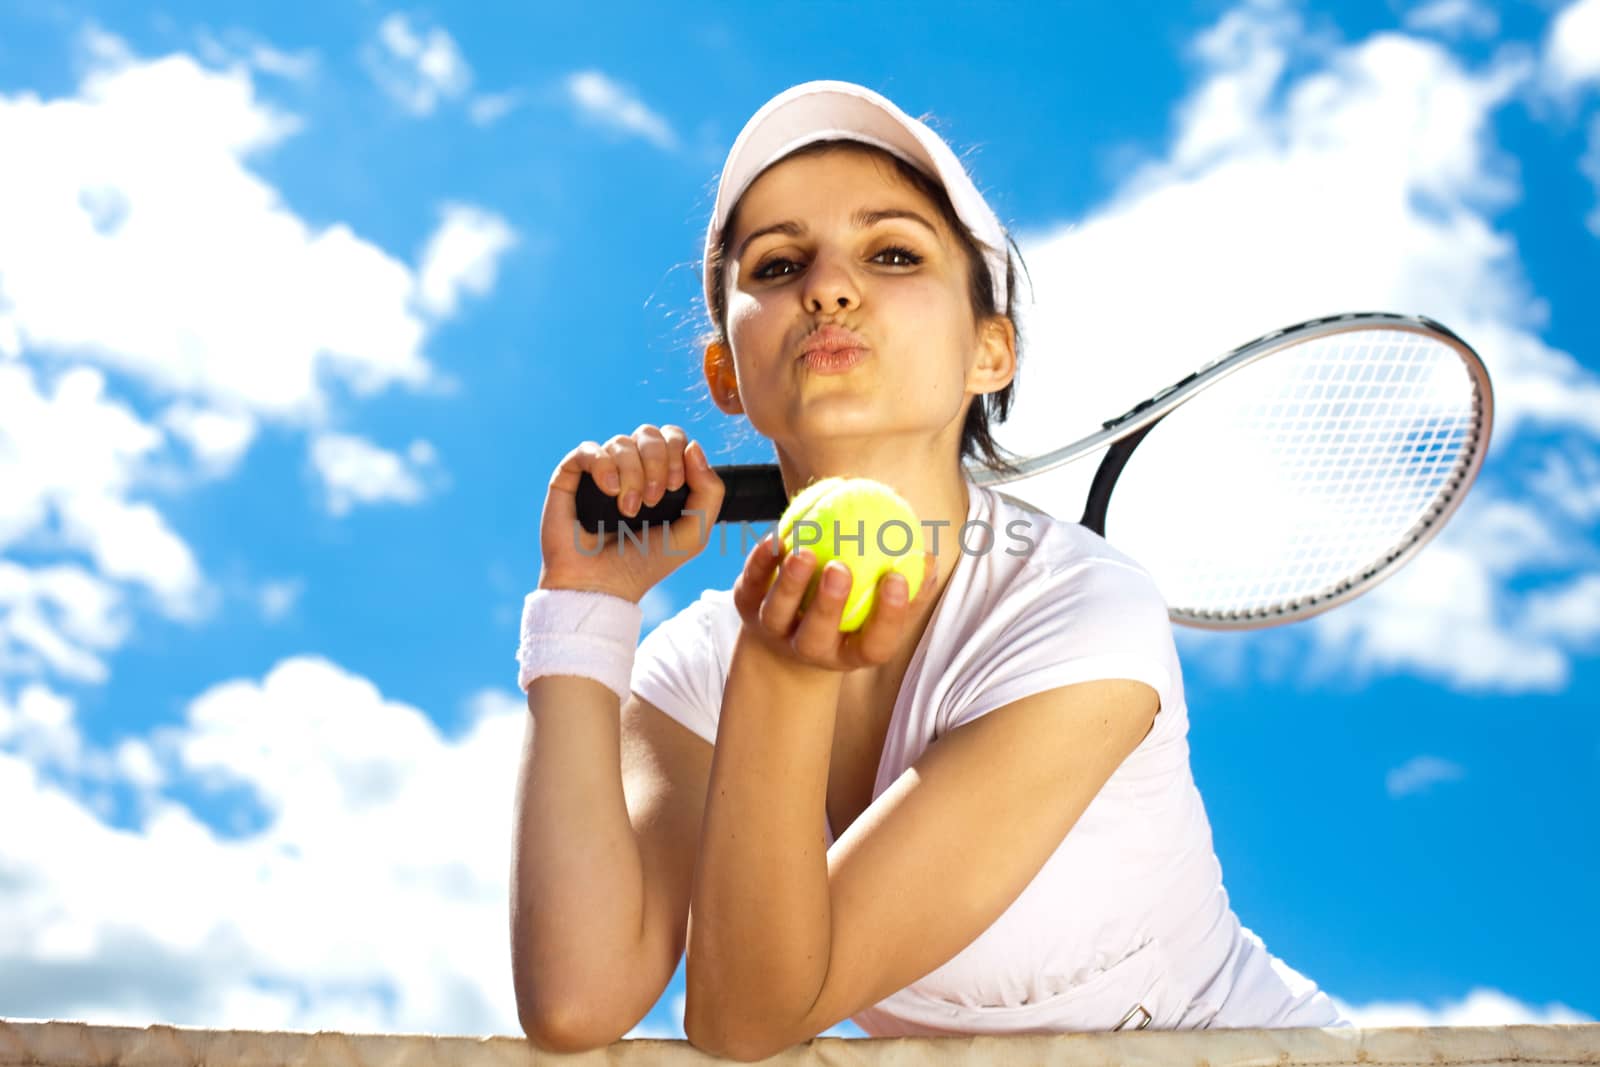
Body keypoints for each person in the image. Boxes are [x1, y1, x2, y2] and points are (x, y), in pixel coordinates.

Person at [509, 80, 1347, 1060]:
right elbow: (576, 999)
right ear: (726, 376)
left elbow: (750, 1015)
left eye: (893, 252)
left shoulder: (1077, 607)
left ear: (989, 351)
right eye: (778, 264)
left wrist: (785, 675)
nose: (828, 287)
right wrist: (587, 606)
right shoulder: (696, 664)